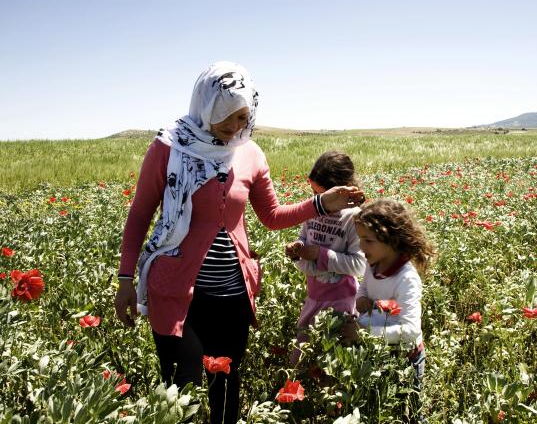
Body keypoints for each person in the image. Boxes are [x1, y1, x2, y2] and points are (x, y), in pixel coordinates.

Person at [113, 61, 363, 424]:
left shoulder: (250, 153)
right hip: (175, 291)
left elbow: (272, 216)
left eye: (243, 117)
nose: (235, 127)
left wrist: (323, 203)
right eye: (226, 117)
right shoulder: (169, 149)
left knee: (226, 389)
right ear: (204, 106)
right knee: (180, 392)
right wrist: (124, 281)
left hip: (232, 294)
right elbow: (139, 215)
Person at [350, 198, 436, 419]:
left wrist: (363, 333)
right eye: (360, 239)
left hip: (406, 358)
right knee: (382, 408)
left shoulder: (406, 279)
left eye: (367, 240)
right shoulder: (373, 265)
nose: (361, 247)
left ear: (392, 240)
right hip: (380, 353)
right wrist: (361, 299)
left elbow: (410, 332)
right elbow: (364, 289)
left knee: (409, 412)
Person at [284, 151, 367, 363]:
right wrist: (298, 249)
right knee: (300, 361)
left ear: (342, 191)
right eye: (314, 194)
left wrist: (319, 255)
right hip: (313, 298)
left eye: (323, 196)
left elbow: (359, 265)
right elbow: (304, 238)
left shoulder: (353, 218)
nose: (319, 201)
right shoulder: (314, 209)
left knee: (333, 364)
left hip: (341, 303)